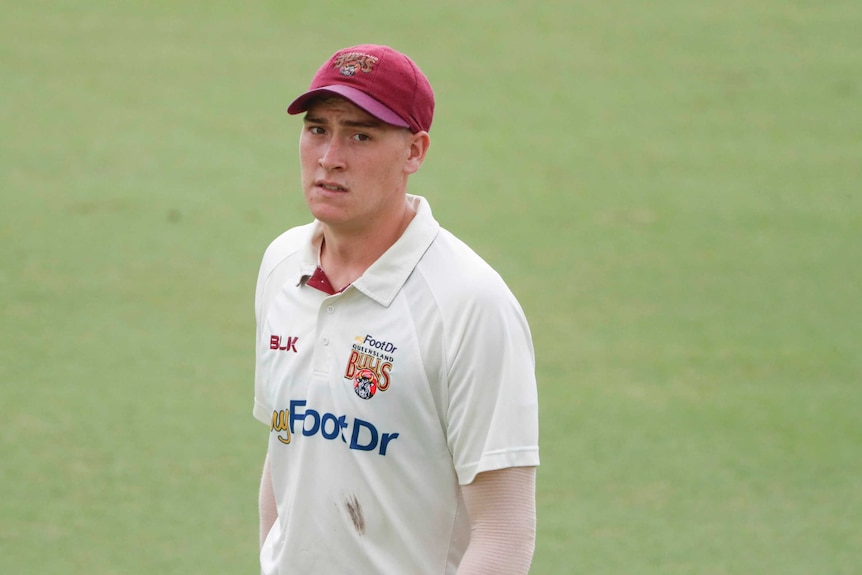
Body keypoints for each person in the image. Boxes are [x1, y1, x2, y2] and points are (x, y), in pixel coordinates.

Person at [253, 44, 540, 574]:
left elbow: (505, 530)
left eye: (361, 135)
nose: (330, 157)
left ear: (414, 152)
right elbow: (285, 448)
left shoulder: (471, 304)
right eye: (318, 129)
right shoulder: (281, 266)